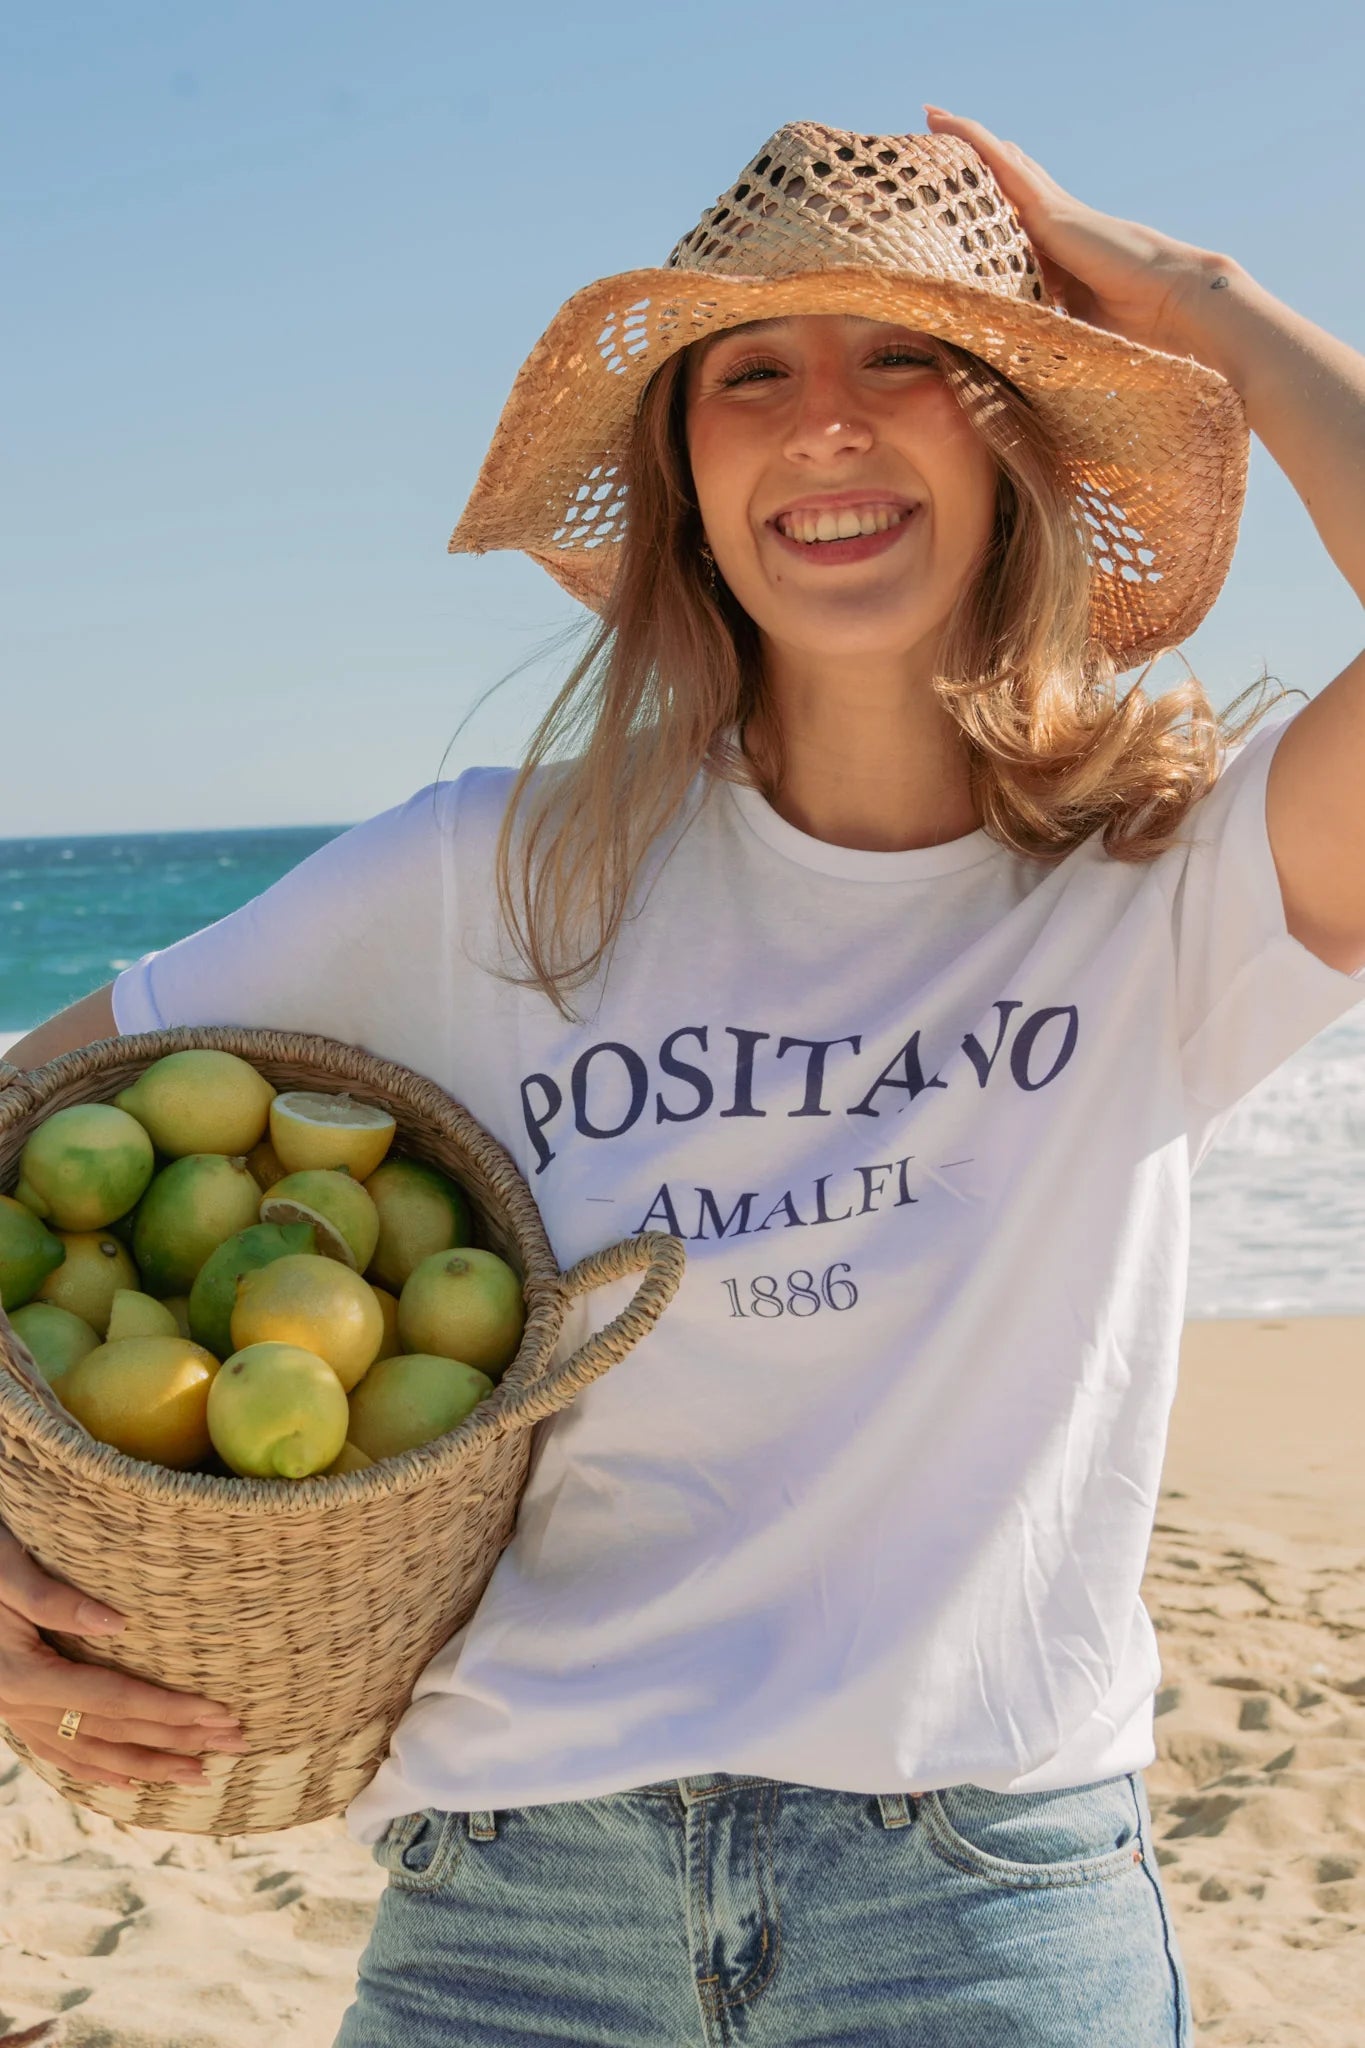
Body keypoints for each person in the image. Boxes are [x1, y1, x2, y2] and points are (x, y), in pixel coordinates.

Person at [2, 107, 1363, 2046]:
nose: (825, 419)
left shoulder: (1156, 897)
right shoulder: (490, 874)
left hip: (973, 1914)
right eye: (748, 374)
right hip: (514, 1911)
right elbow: (21, 1124)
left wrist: (1200, 305)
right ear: (685, 476)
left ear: (1011, 443)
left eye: (906, 356)